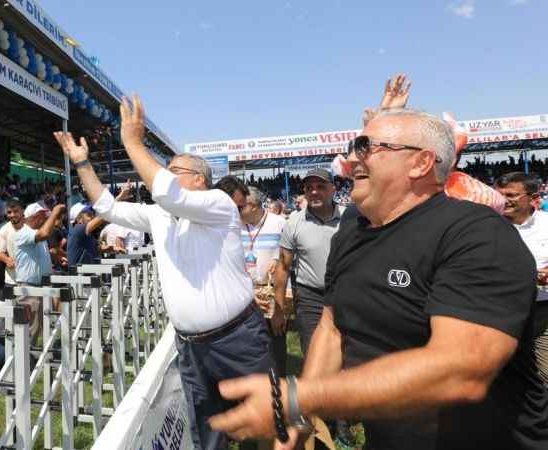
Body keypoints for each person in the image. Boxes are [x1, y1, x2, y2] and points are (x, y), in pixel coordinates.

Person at [209, 109, 548, 450]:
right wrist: (302, 413)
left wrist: (301, 397)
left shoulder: (477, 235)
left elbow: (462, 370)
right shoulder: (352, 233)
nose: (352, 158)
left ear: (421, 163)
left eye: (367, 147)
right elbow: (332, 326)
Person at [55, 95, 271, 450]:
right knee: (208, 432)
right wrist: (82, 163)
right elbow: (106, 207)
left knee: (265, 426)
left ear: (199, 180)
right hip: (191, 346)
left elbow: (169, 194)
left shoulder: (218, 204)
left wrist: (133, 143)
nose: (164, 174)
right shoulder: (159, 215)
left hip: (236, 339)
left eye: (174, 170)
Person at [278, 168, 344, 356]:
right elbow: (283, 266)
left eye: (321, 187)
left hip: (346, 294)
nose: (314, 192)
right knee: (313, 352)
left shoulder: (350, 218)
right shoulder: (293, 222)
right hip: (310, 299)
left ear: (333, 189)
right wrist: (279, 308)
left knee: (349, 351)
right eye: (309, 188)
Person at [494, 172, 548, 386]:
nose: (503, 200)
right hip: (500, 313)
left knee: (544, 375)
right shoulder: (486, 226)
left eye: (511, 195)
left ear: (533, 198)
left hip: (542, 313)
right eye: (499, 194)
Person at [240, 186, 288, 374]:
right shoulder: (234, 226)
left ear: (252, 205)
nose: (236, 211)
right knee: (248, 349)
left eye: (240, 207)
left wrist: (276, 259)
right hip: (245, 295)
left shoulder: (279, 223)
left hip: (271, 292)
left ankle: (279, 385)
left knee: (275, 346)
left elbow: (289, 254)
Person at [7, 201, 65, 342]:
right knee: (30, 331)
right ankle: (24, 356)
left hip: (40, 287)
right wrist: (55, 212)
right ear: (35, 217)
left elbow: (41, 254)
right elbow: (44, 233)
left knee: (40, 328)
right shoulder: (24, 233)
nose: (45, 219)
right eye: (43, 216)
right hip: (29, 289)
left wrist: (57, 258)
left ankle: (37, 354)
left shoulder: (36, 234)